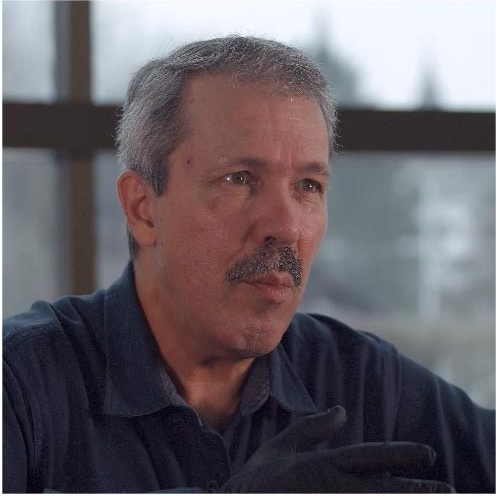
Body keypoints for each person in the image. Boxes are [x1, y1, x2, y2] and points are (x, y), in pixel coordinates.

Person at [3, 36, 494, 494]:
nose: (285, 225)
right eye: (239, 178)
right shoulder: (20, 385)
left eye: (308, 186)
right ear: (142, 208)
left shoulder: (365, 383)